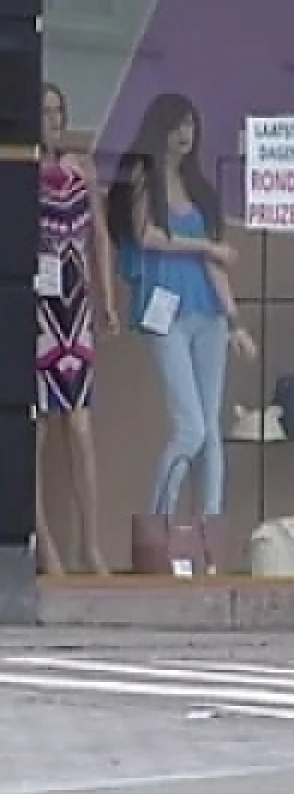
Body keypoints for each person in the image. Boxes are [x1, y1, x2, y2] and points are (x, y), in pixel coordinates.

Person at [106, 92, 257, 576]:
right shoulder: (139, 175)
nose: (185, 133)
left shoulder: (198, 188)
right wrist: (206, 247)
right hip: (163, 312)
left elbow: (213, 267)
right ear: (161, 127)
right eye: (177, 124)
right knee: (189, 425)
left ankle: (209, 541)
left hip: (206, 313)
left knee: (210, 431)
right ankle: (160, 527)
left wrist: (235, 322)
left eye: (191, 124)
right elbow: (147, 234)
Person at [34, 81, 120, 576]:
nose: (53, 120)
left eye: (57, 110)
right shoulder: (23, 168)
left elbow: (100, 237)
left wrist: (106, 297)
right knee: (38, 429)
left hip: (75, 307)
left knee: (81, 427)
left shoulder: (81, 168)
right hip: (37, 306)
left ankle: (91, 544)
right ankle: (46, 546)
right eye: (44, 111)